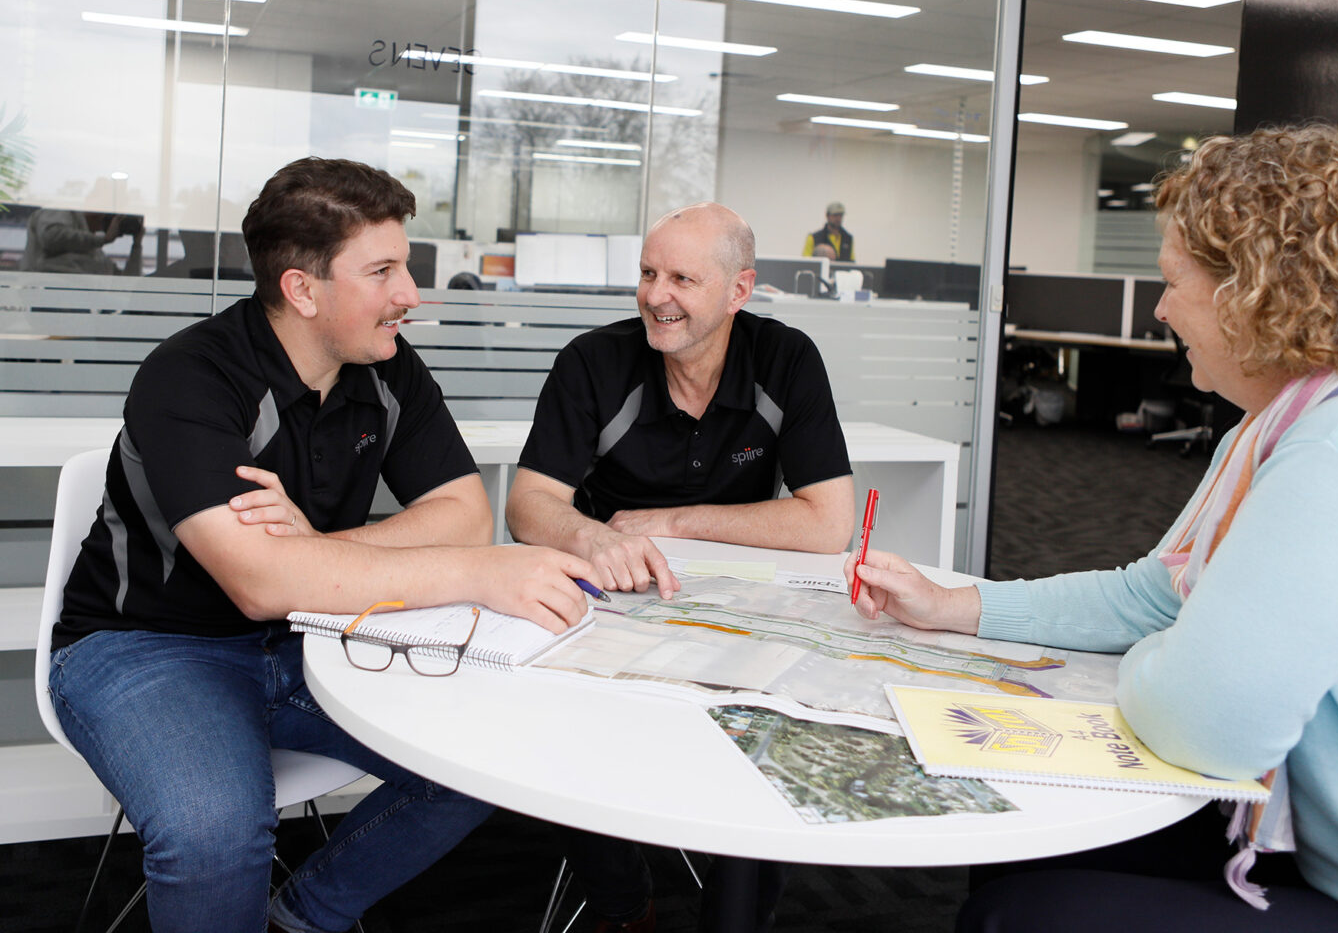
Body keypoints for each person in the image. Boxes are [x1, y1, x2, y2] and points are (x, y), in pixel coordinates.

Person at [847, 123, 1338, 933]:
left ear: (1262, 293)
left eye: (1176, 281)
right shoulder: (1293, 425)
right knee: (1023, 834)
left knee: (1026, 917)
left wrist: (1175, 654)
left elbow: (1204, 723)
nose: (1162, 307)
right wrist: (954, 605)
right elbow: (1156, 596)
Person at [48, 157, 598, 933]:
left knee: (483, 760)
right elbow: (261, 584)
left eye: (404, 266)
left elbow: (465, 511)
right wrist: (477, 573)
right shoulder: (190, 377)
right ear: (304, 290)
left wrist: (318, 548)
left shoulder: (387, 367)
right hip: (149, 646)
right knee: (214, 836)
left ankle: (303, 915)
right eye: (383, 271)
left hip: (313, 637)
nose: (410, 294)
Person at [509, 200, 858, 932]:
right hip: (612, 596)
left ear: (739, 290)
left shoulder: (785, 359)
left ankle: (738, 913)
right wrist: (592, 538)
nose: (655, 296)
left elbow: (829, 524)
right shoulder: (595, 361)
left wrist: (674, 521)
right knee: (564, 718)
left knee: (772, 728)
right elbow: (530, 503)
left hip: (742, 605)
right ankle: (619, 896)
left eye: (681, 280)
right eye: (647, 273)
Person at [23, 207, 144, 274]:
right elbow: (51, 236)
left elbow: (126, 286)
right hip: (50, 294)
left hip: (78, 306)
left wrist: (136, 246)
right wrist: (103, 239)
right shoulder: (61, 209)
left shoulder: (95, 253)